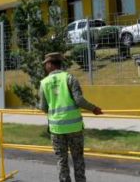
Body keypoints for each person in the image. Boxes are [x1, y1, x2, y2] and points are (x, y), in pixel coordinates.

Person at [39, 52, 103, 182]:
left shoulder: (44, 83)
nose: (45, 67)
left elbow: (43, 107)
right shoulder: (70, 78)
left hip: (56, 129)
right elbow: (79, 100)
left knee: (61, 160)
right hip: (74, 128)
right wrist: (94, 109)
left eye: (46, 64)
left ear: (50, 64)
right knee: (78, 159)